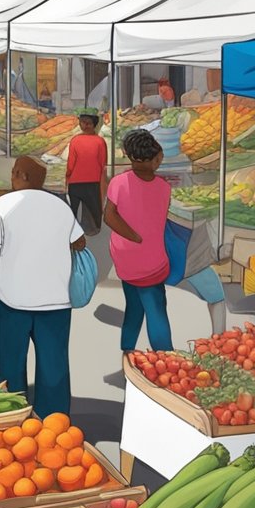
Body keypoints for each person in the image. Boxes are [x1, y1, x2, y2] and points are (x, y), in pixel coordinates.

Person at [0, 156, 86, 418]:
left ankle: (16, 417)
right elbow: (80, 243)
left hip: (14, 302)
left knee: (11, 364)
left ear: (20, 175)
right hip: (56, 302)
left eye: (13, 173)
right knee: (53, 365)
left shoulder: (2, 206)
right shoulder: (60, 207)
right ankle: (54, 422)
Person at [106, 129, 173, 352]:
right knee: (156, 310)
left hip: (126, 260)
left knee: (134, 307)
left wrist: (132, 237)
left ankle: (127, 352)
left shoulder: (118, 182)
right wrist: (137, 237)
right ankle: (164, 358)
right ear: (155, 159)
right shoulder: (164, 188)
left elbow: (109, 216)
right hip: (152, 263)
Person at [66, 113, 107, 236]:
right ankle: (92, 229)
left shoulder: (76, 140)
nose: (84, 125)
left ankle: (73, 231)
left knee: (74, 208)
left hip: (76, 181)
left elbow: (71, 163)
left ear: (94, 125)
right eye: (83, 122)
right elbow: (103, 163)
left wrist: (68, 176)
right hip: (92, 181)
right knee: (92, 206)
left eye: (87, 123)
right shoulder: (100, 142)